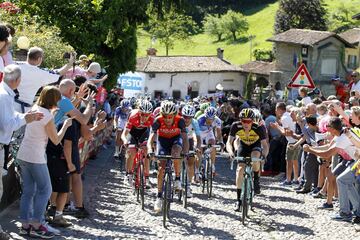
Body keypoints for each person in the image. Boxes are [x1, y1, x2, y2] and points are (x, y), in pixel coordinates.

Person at [16, 85, 73, 238]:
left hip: (24, 154)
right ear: (54, 100)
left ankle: (25, 225)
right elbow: (56, 140)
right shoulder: (47, 116)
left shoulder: (35, 109)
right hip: (36, 157)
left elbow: (42, 124)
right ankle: (37, 224)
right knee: (45, 190)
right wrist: (66, 126)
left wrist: (52, 115)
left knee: (28, 192)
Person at [0, 64, 44, 239]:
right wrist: (27, 118)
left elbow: (9, 118)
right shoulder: (4, 96)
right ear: (18, 81)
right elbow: (7, 125)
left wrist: (25, 117)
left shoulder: (5, 94)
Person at [303, 117, 360, 223]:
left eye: (327, 126)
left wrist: (310, 150)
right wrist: (312, 149)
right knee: (344, 181)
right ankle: (356, 211)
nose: (325, 128)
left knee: (342, 180)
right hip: (355, 161)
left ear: (333, 129)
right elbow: (327, 148)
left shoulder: (342, 138)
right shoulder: (340, 134)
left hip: (357, 162)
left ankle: (346, 213)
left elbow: (327, 154)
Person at [147, 101, 189, 213]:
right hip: (163, 141)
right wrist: (150, 150)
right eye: (165, 116)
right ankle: (159, 196)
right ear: (162, 115)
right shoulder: (157, 120)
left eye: (170, 117)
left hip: (176, 139)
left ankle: (177, 179)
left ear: (174, 115)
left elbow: (185, 138)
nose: (168, 119)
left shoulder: (180, 120)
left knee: (176, 154)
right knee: (161, 168)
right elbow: (151, 137)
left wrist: (185, 152)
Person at [226, 108, 269, 211]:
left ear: (252, 121)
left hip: (255, 145)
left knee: (255, 159)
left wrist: (264, 156)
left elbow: (265, 145)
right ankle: (238, 200)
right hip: (243, 145)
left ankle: (256, 178)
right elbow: (229, 142)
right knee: (240, 169)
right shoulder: (235, 126)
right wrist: (231, 152)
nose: (246, 123)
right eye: (243, 121)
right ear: (240, 120)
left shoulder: (259, 127)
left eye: (248, 121)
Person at [16, 47, 76, 113]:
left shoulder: (15, 65)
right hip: (22, 109)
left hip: (6, 103)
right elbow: (59, 73)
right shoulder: (41, 73)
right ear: (39, 59)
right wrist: (70, 63)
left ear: (28, 56)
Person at [121, 100, 154, 187]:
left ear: (150, 114)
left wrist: (152, 144)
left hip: (144, 132)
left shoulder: (152, 118)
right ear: (139, 112)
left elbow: (154, 133)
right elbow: (124, 133)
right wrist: (125, 141)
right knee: (131, 152)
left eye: (147, 115)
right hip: (133, 132)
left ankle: (147, 178)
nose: (144, 117)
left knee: (146, 153)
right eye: (142, 114)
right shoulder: (133, 116)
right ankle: (129, 174)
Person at [197, 107, 223, 175]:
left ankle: (212, 166)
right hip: (200, 133)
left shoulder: (217, 120)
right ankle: (197, 170)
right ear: (205, 116)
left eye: (211, 119)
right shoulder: (200, 119)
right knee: (199, 150)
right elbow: (196, 133)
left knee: (213, 144)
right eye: (208, 118)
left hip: (209, 132)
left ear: (214, 117)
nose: (209, 120)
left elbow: (219, 133)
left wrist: (220, 141)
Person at [182, 104, 201, 195]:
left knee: (191, 162)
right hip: (179, 139)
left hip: (189, 140)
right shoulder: (179, 121)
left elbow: (198, 137)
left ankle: (188, 185)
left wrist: (197, 147)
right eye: (185, 117)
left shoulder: (195, 122)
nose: (187, 119)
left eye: (189, 117)